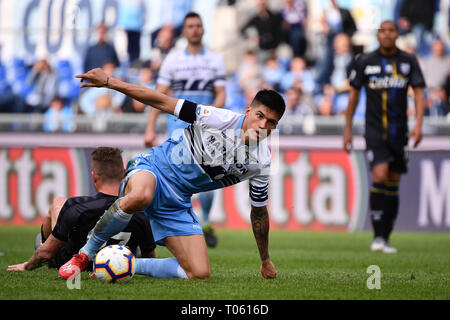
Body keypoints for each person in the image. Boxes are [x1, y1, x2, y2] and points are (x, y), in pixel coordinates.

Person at [58, 66, 284, 280]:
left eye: (271, 122)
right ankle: (84, 254)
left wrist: (265, 259)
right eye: (260, 116)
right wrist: (109, 82)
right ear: (248, 111)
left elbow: (259, 212)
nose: (262, 125)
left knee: (198, 272)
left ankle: (124, 264)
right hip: (153, 169)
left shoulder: (261, 162)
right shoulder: (217, 118)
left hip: (177, 201)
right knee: (140, 196)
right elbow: (161, 101)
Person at [144, 12, 227, 248]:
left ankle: (207, 220)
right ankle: (182, 226)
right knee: (177, 179)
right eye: (190, 26)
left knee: (211, 174)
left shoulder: (215, 60)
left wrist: (212, 113)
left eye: (198, 26)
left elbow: (221, 93)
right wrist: (150, 128)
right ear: (185, 30)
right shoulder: (172, 60)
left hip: (207, 127)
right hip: (178, 128)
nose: (195, 29)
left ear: (203, 29)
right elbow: (158, 97)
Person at [343, 21, 426, 253]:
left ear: (397, 34)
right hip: (374, 131)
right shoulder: (365, 61)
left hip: (399, 132)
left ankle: (385, 237)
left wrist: (419, 124)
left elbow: (419, 94)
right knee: (379, 175)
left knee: (393, 181)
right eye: (383, 31)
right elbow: (353, 97)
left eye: (391, 31)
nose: (387, 34)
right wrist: (347, 128)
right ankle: (377, 236)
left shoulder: (408, 61)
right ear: (378, 35)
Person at [7, 147, 156, 273]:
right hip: (117, 263)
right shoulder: (140, 214)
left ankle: (53, 254)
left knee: (58, 203)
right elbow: (150, 258)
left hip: (71, 264)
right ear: (124, 175)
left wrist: (27, 266)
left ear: (94, 177)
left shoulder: (76, 206)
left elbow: (45, 252)